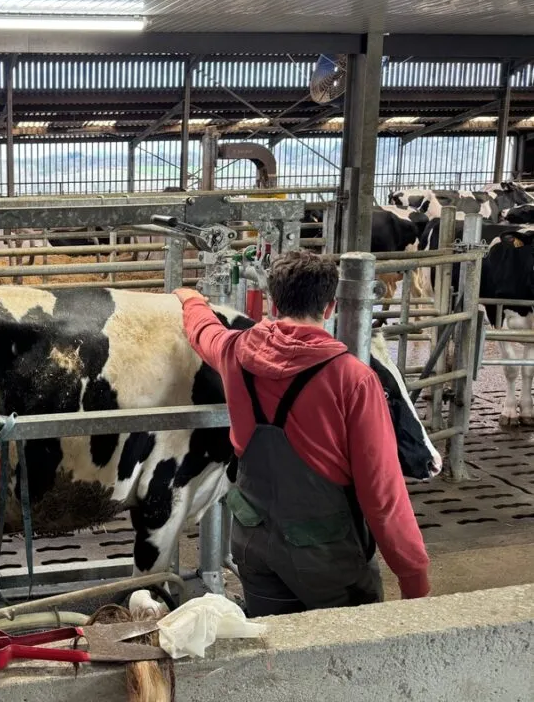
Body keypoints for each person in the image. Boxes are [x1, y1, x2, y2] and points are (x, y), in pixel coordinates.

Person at [174, 249, 429, 617]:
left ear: (273, 302)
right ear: (330, 306)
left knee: (275, 651)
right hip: (326, 557)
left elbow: (203, 331)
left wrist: (191, 299)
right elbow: (382, 494)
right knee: (346, 656)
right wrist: (413, 574)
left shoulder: (235, 350)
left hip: (253, 543)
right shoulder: (353, 379)